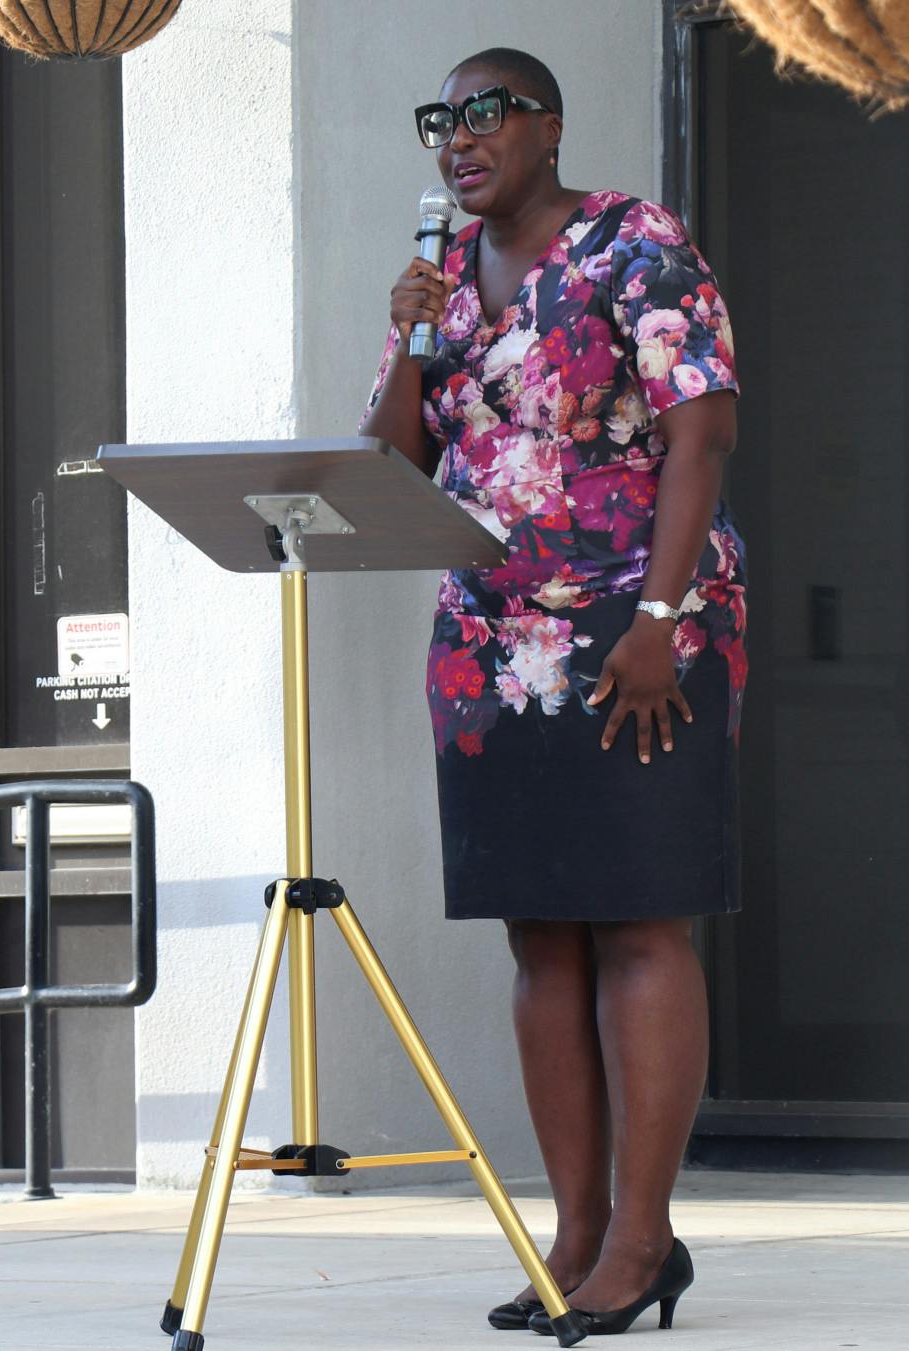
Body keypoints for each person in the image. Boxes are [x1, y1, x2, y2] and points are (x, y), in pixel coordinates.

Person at [360, 49, 744, 1339]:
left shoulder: (632, 240)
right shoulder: (440, 286)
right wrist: (409, 341)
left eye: (484, 113)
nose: (458, 139)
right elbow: (391, 466)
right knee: (540, 936)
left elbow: (702, 429)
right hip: (487, 647)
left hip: (640, 637)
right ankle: (573, 1234)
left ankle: (642, 1240)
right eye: (442, 122)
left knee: (639, 923)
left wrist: (657, 616)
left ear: (546, 127)